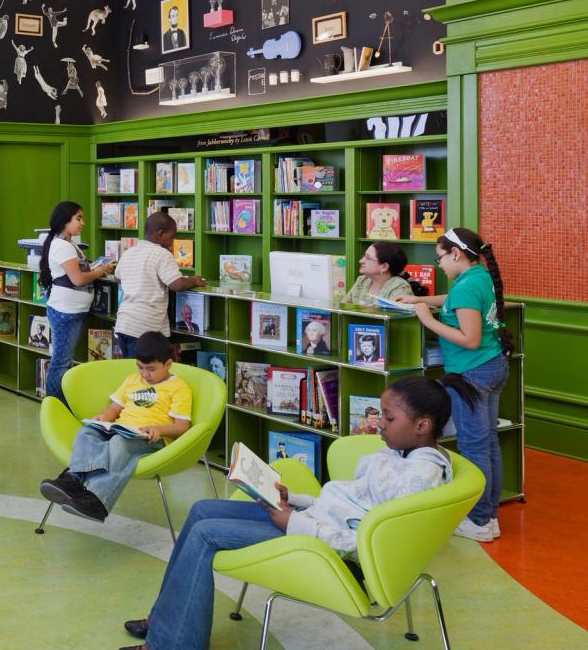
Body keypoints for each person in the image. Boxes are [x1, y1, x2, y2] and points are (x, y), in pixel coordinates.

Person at [119, 375, 454, 650]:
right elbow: (347, 504)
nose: (379, 423)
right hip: (312, 523)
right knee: (202, 509)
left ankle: (169, 644)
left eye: (389, 417)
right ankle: (166, 618)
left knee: (206, 534)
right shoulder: (402, 454)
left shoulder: (417, 480)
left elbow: (362, 542)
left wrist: (293, 521)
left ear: (422, 425)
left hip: (327, 551)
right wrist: (292, 498)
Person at [396, 227, 511, 542]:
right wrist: (420, 299)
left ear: (456, 254)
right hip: (493, 367)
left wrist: (428, 321)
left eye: (440, 258)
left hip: (471, 373)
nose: (440, 265)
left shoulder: (465, 286)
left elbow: (470, 339)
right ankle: (488, 518)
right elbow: (455, 301)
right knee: (487, 442)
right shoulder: (479, 276)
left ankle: (478, 520)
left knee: (474, 446)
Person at [39, 332, 191, 522]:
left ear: (168, 364)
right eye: (140, 367)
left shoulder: (178, 387)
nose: (144, 374)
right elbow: (114, 407)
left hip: (151, 439)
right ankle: (73, 479)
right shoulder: (132, 380)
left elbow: (182, 426)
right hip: (121, 429)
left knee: (119, 443)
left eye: (151, 369)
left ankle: (98, 502)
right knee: (87, 432)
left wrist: (159, 429)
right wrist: (104, 418)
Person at [39, 201, 115, 403]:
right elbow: (78, 279)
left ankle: (58, 402)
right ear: (65, 221)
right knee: (61, 362)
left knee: (64, 359)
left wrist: (96, 269)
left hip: (74, 309)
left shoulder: (67, 243)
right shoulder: (63, 246)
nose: (82, 223)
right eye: (78, 218)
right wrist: (99, 271)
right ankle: (54, 404)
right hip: (67, 310)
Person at [113, 212, 207, 358]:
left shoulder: (129, 252)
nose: (173, 241)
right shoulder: (161, 254)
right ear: (161, 234)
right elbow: (177, 284)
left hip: (123, 324)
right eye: (172, 236)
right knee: (146, 373)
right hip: (144, 328)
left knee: (131, 371)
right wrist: (194, 280)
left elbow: (117, 278)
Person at [344, 242, 416, 305]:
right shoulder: (362, 280)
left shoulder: (400, 287)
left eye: (368, 258)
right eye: (364, 256)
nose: (361, 261)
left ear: (384, 267)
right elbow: (343, 307)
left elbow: (393, 317)